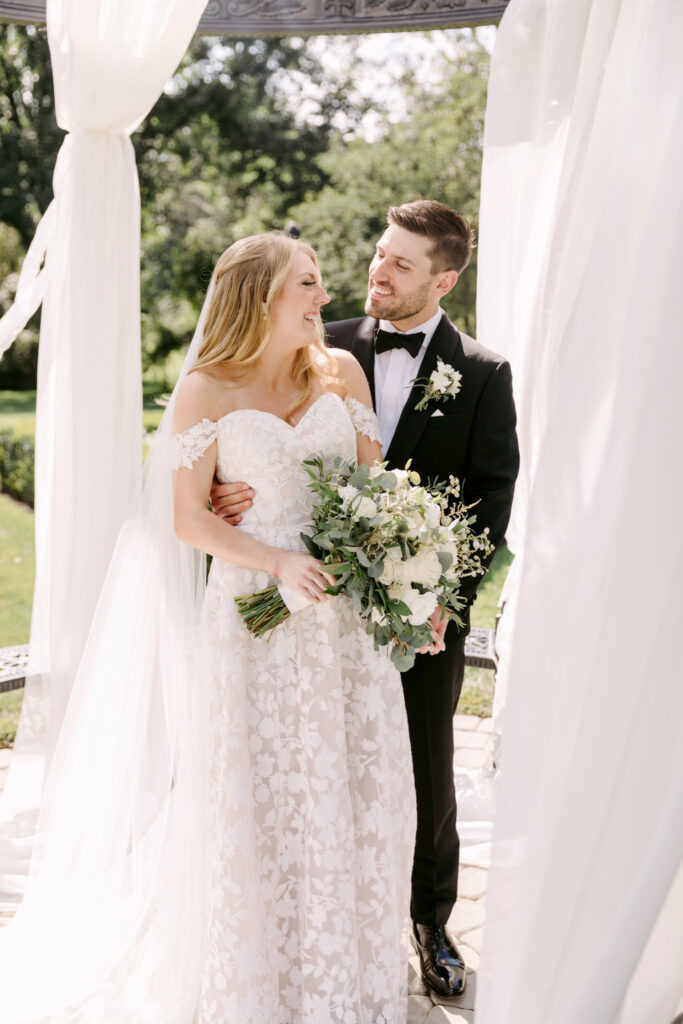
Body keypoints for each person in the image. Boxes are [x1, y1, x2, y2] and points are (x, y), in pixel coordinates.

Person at [0, 233, 416, 1024]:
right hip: (250, 625)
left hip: (341, 628)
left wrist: (394, 573)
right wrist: (273, 559)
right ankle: (256, 985)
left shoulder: (342, 372)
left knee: (351, 790)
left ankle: (338, 977)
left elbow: (377, 493)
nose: (322, 298)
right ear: (260, 294)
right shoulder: (205, 389)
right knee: (254, 800)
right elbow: (187, 519)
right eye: (307, 282)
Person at [211, 201, 520, 998]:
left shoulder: (481, 374)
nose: (378, 273)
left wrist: (438, 594)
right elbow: (233, 437)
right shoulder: (320, 338)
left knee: (422, 765)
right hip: (305, 599)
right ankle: (316, 919)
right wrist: (226, 496)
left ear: (443, 279)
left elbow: (489, 494)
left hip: (418, 606)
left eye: (401, 265)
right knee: (312, 759)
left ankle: (429, 923)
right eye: (380, 255)